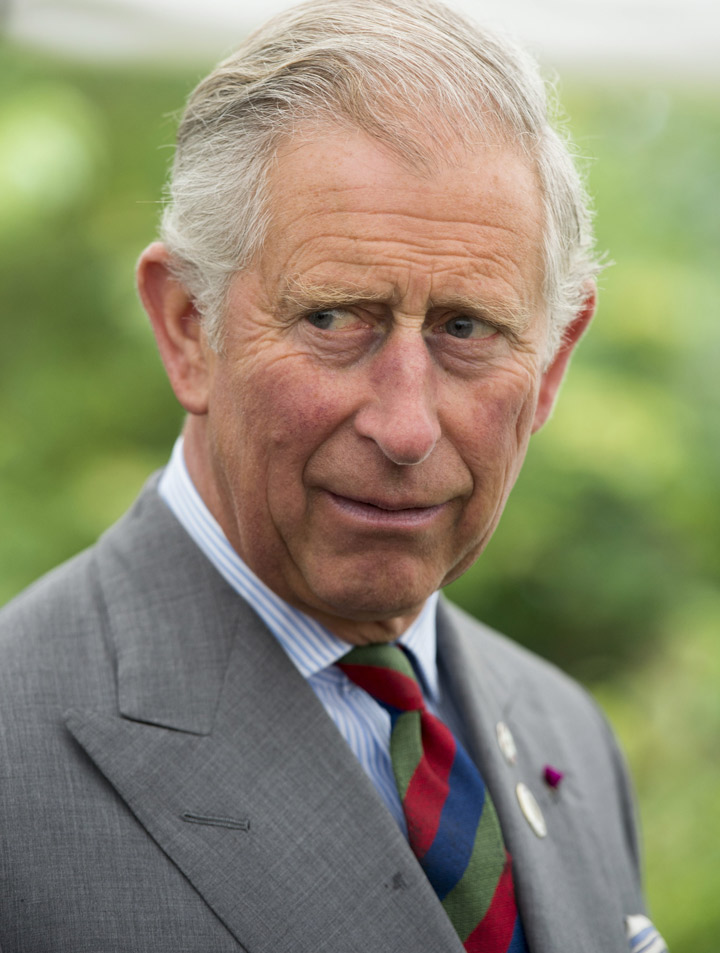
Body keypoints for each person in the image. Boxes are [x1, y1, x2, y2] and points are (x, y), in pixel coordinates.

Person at [0, 1, 668, 950]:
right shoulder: (16, 754)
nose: (403, 425)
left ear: (554, 364)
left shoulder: (566, 732)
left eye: (466, 329)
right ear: (189, 327)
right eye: (334, 319)